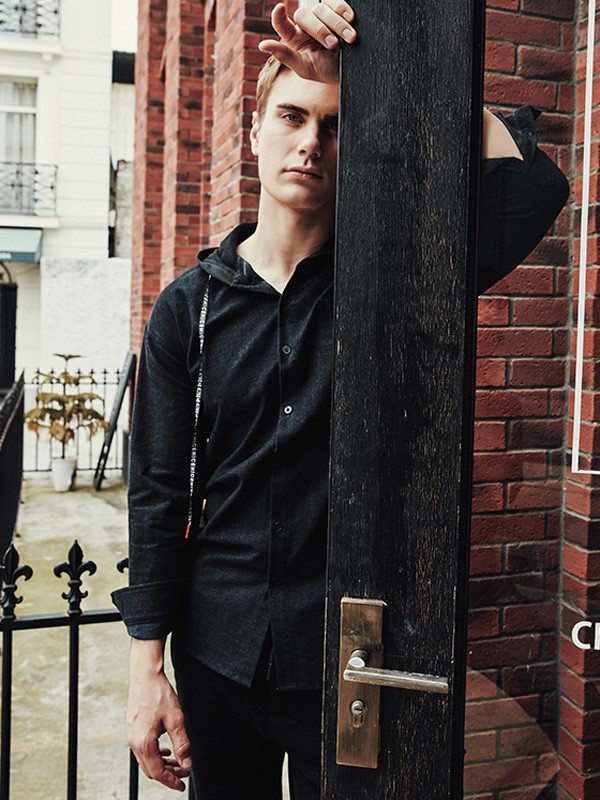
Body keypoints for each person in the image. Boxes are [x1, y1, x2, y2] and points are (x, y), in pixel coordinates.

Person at [112, 2, 570, 798]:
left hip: (350, 660)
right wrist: (145, 671)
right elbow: (156, 494)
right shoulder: (189, 308)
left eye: (335, 124)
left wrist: (386, 81)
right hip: (219, 652)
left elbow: (536, 183)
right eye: (292, 116)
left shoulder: (402, 279)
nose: (310, 142)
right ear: (254, 133)